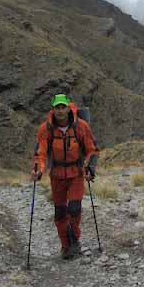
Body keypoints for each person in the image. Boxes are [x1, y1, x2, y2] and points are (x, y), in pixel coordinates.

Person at [31, 94, 99, 259]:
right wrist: (38, 169)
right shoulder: (45, 129)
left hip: (76, 173)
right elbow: (40, 153)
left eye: (63, 107)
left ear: (69, 108)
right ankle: (65, 246)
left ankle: (74, 240)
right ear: (52, 109)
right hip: (57, 175)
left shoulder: (81, 126)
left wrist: (90, 168)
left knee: (74, 209)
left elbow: (92, 150)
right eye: (57, 107)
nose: (60, 111)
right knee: (60, 212)